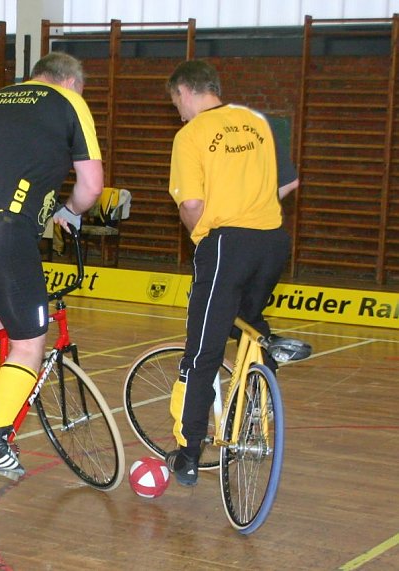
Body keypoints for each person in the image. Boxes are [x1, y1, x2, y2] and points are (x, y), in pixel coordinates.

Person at [0, 52, 104, 479]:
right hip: (3, 232)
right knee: (28, 344)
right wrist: (69, 211)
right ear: (71, 82)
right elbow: (91, 186)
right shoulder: (69, 101)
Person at [164, 60, 299, 486]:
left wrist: (202, 238)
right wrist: (251, 202)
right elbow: (288, 184)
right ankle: (262, 382)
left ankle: (188, 453)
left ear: (185, 91)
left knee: (203, 349)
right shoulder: (258, 120)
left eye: (176, 104)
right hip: (273, 241)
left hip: (225, 244)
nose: (178, 114)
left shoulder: (191, 134)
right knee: (248, 321)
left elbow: (191, 205)